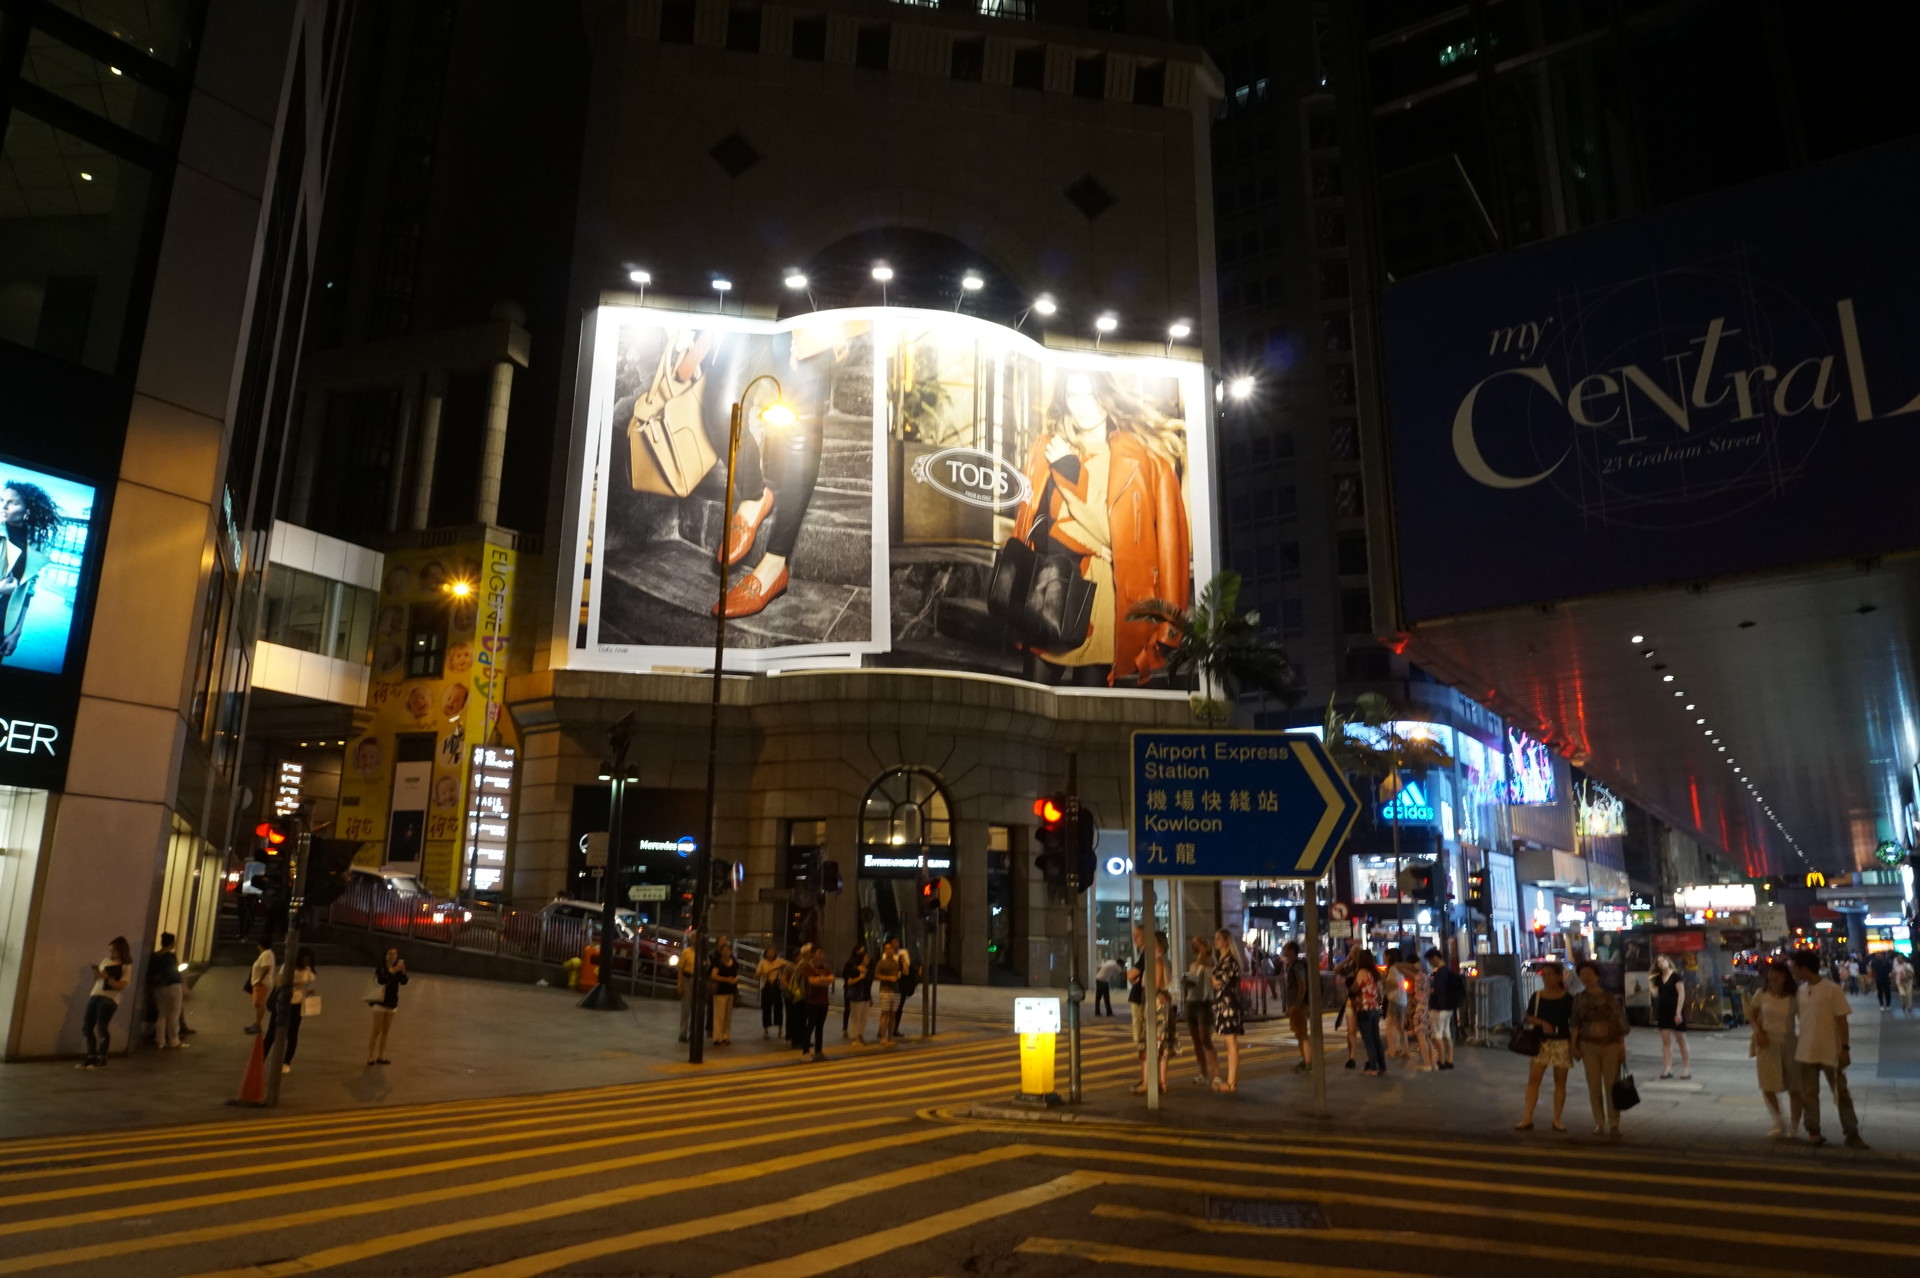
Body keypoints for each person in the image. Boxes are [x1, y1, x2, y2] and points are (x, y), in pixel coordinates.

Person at [1008, 369, 1191, 688]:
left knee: (1089, 715)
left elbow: (1165, 547)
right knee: (1031, 703)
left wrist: (1068, 471)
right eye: (1073, 396)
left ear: (1107, 397)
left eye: (1091, 395)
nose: (1082, 406)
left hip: (1102, 597)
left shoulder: (1144, 461)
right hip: (1048, 589)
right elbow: (1033, 524)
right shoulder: (1045, 447)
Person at [1789, 950, 1867, 1148]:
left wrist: (1845, 1049)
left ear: (1804, 968)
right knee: (1808, 1093)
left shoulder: (1831, 989)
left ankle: (1851, 1132)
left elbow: (1842, 1021)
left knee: (1840, 1092)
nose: (1793, 972)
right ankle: (1813, 1131)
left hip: (1830, 1050)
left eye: (1795, 968)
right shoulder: (1800, 991)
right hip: (1806, 1050)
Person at [1, 480, 60, 663]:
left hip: (5, 624)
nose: (3, 506)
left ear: (27, 510)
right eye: (2, 500)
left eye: (13, 502)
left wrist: (17, 631)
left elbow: (29, 589)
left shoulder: (34, 543)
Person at [1569, 960, 1630, 1138]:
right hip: (1588, 1045)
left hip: (1610, 1045)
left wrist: (1621, 1047)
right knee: (1593, 1085)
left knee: (1612, 1085)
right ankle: (1599, 1122)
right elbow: (1575, 1025)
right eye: (1582, 974)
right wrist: (1574, 1046)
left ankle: (1614, 1122)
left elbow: (1620, 1025)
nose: (1585, 977)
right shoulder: (1579, 999)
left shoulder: (1610, 999)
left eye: (1589, 973)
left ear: (1597, 976)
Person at [1515, 961, 1575, 1132]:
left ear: (1559, 976)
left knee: (1560, 1082)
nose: (1547, 978)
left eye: (1550, 974)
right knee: (1534, 1080)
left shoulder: (1568, 998)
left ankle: (1557, 1119)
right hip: (1540, 1042)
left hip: (1562, 1041)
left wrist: (1574, 1044)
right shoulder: (1538, 996)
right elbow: (1529, 1017)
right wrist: (1542, 1022)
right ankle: (1527, 1117)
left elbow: (1574, 1022)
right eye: (1544, 975)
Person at [1747, 960, 1803, 1139]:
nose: (1774, 977)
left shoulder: (1795, 997)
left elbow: (1804, 1019)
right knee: (1768, 1084)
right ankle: (1778, 1121)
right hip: (1767, 1042)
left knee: (1795, 1086)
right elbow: (1752, 1014)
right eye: (1771, 973)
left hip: (1789, 1042)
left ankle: (1794, 1125)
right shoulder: (1761, 994)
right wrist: (1758, 1030)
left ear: (1786, 976)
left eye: (1778, 974)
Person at [78, 937, 132, 1068]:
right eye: (110, 950)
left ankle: (102, 1057)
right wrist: (97, 973)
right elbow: (97, 978)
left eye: (113, 951)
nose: (111, 953)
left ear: (120, 950)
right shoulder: (105, 961)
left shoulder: (125, 966)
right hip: (95, 994)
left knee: (101, 1028)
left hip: (109, 998)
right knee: (87, 1027)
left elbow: (121, 985)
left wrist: (108, 978)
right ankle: (91, 1056)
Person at [264, 948, 316, 1074]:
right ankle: (261, 1058)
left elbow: (310, 986)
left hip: (297, 1004)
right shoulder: (287, 967)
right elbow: (279, 982)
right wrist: (294, 985)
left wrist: (309, 993)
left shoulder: (308, 971)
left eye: (308, 960)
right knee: (272, 1032)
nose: (306, 962)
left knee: (292, 1034)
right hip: (283, 1002)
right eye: (305, 959)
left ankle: (287, 1062)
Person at [1209, 929, 1245, 1092]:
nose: (1215, 941)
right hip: (1224, 1005)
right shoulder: (1223, 960)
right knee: (1228, 1043)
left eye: (1218, 938)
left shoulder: (1229, 961)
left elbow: (1219, 982)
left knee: (1231, 1044)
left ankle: (1231, 1083)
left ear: (1226, 941)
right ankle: (1232, 1082)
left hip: (1228, 1005)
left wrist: (1212, 978)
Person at [1183, 935, 1217, 1086]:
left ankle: (1215, 1074)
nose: (1197, 948)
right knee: (1196, 1040)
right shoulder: (1193, 966)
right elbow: (1191, 984)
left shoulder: (1211, 964)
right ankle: (1203, 1073)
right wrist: (1186, 981)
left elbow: (1207, 965)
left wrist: (1204, 953)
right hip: (1192, 1003)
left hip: (1205, 1004)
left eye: (1199, 944)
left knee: (1205, 1039)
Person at [1650, 954, 1691, 1079]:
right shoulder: (1658, 978)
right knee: (1666, 1041)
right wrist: (1650, 983)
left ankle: (1686, 1069)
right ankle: (1668, 1068)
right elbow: (1656, 994)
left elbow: (1681, 994)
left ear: (1668, 962)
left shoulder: (1675, 976)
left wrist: (1678, 1012)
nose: (1661, 963)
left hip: (1675, 1011)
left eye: (1663, 961)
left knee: (1681, 1040)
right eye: (1659, 962)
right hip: (1663, 1012)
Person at [1348, 947, 1387, 1076]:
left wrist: (1352, 988)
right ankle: (1382, 1065)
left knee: (1368, 1039)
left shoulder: (1362, 972)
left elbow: (1354, 988)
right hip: (1375, 1008)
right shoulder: (1376, 973)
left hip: (1364, 1008)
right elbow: (1381, 992)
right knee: (1376, 1038)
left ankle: (1372, 1067)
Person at [1132, 987, 1178, 1095]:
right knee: (1163, 1042)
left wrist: (1147, 1005)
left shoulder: (1154, 970)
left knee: (1148, 1042)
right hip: (1161, 999)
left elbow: (1155, 984)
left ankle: (1147, 1082)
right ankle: (1162, 1083)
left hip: (1155, 1001)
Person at [1426, 949, 1465, 1070]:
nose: (1430, 963)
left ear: (1435, 958)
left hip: (1438, 1008)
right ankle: (1450, 1060)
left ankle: (1441, 1061)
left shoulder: (1439, 974)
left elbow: (1438, 991)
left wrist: (1430, 991)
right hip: (1449, 1008)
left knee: (1437, 1035)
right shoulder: (1448, 971)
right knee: (1446, 1034)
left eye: (1430, 961)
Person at [367, 948, 407, 1066]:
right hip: (380, 1002)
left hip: (392, 1002)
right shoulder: (381, 968)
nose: (393, 956)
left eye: (395, 954)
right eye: (390, 953)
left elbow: (404, 982)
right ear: (385, 955)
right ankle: (370, 1056)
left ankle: (381, 1056)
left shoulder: (398, 968)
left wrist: (403, 971)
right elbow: (382, 980)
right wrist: (393, 970)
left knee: (386, 1031)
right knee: (376, 1030)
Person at [148, 932, 187, 1050]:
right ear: (171, 943)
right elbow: (174, 972)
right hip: (173, 987)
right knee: (174, 1015)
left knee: (162, 1015)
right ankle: (174, 1040)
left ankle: (160, 1041)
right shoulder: (170, 957)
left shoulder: (154, 956)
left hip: (159, 988)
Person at [1400, 950, 1435, 1072]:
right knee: (1427, 1037)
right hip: (1426, 1008)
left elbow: (1413, 995)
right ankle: (1433, 1063)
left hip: (1419, 1009)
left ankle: (1427, 1064)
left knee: (1421, 1038)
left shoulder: (1416, 976)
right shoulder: (1424, 975)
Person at [1282, 940, 1311, 1074]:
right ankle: (1305, 1060)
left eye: (1286, 948)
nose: (1283, 950)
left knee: (1302, 1034)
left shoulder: (1297, 966)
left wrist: (1297, 1005)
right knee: (1299, 1034)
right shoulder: (1292, 965)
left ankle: (1308, 1062)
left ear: (1292, 951)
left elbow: (1302, 985)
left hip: (1298, 1005)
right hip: (1295, 1005)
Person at [800, 947, 833, 1061]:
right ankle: (805, 1051)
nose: (822, 955)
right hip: (812, 1001)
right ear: (813, 954)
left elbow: (831, 979)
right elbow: (811, 981)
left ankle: (818, 1051)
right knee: (810, 1026)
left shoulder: (824, 966)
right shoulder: (809, 966)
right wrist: (823, 980)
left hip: (824, 1001)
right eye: (819, 952)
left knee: (820, 1027)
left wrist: (820, 980)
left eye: (822, 952)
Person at [873, 937, 903, 1047]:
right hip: (885, 991)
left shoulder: (896, 962)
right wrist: (888, 978)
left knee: (893, 1015)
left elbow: (903, 973)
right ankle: (883, 1038)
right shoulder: (881, 962)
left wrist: (904, 961)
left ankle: (890, 1037)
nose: (888, 950)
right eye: (886, 949)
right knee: (885, 1014)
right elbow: (876, 975)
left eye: (890, 948)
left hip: (896, 991)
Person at [1381, 948, 1410, 1060]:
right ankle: (1405, 1049)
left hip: (1395, 999)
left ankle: (1392, 1049)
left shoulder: (1393, 969)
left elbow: (1395, 983)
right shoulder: (1399, 969)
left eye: (1384, 955)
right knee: (1400, 1026)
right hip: (1402, 1000)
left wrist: (1384, 979)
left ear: (1389, 956)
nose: (1383, 957)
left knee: (1390, 1024)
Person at [709, 938, 739, 1046]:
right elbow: (713, 975)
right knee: (719, 1016)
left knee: (728, 1015)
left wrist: (735, 980)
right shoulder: (718, 962)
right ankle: (717, 1037)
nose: (727, 953)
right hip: (720, 991)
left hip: (730, 991)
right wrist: (727, 980)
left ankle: (726, 1036)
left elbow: (736, 973)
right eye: (725, 951)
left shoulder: (733, 961)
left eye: (728, 950)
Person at [842, 944, 872, 1045]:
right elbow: (849, 982)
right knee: (856, 1018)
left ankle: (860, 1035)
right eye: (866, 957)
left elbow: (869, 984)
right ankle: (854, 1037)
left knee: (864, 1017)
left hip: (866, 996)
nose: (868, 959)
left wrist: (870, 997)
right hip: (856, 996)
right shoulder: (855, 969)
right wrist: (860, 977)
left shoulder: (868, 970)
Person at [755, 949, 787, 1038]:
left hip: (776, 987)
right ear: (766, 953)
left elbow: (787, 964)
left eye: (773, 952)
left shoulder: (778, 961)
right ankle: (766, 1031)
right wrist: (764, 972)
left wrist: (781, 966)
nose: (771, 954)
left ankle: (780, 1030)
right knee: (766, 1009)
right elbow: (756, 974)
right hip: (766, 987)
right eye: (769, 952)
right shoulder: (762, 962)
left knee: (779, 1009)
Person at [246, 939, 276, 1035]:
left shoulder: (266, 954)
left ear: (260, 945)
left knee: (259, 1004)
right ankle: (256, 1023)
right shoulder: (267, 953)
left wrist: (259, 980)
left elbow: (266, 968)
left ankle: (258, 1025)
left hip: (262, 983)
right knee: (258, 1003)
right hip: (261, 982)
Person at [1126, 925, 1147, 1049]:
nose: (1134, 938)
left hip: (1140, 996)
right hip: (1138, 995)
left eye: (1138, 935)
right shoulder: (1143, 954)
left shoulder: (1146, 954)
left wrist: (1131, 977)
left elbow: (1131, 974)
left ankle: (1141, 1050)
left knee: (1139, 1027)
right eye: (1133, 935)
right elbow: (1131, 974)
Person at [675, 931, 698, 1043]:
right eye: (694, 938)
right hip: (687, 979)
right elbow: (680, 969)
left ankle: (693, 1032)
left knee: (695, 1008)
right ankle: (683, 1033)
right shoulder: (686, 952)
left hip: (697, 980)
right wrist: (680, 984)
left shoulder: (701, 953)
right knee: (686, 1008)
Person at [1895, 952, 1914, 1017]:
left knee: (1908, 994)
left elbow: (1911, 973)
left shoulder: (1908, 965)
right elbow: (1895, 973)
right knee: (1902, 994)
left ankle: (1909, 1006)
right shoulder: (1896, 966)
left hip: (1908, 981)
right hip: (1899, 982)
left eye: (1899, 958)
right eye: (1897, 958)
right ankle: (1904, 1004)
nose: (1898, 959)